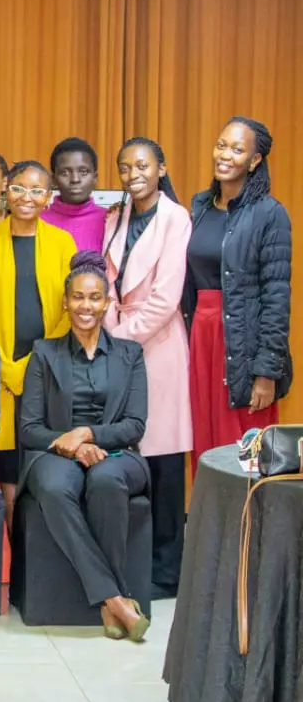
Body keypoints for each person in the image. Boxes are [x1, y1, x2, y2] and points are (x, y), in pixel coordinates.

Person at [18, 253, 151, 642]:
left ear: (107, 302)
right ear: (65, 301)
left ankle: (109, 601)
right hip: (56, 453)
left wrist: (88, 436)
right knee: (57, 488)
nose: (86, 306)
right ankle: (115, 599)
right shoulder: (44, 353)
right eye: (78, 297)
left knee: (108, 480)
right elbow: (29, 428)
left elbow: (134, 425)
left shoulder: (130, 354)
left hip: (117, 454)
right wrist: (71, 446)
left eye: (94, 298)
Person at [102, 138, 192, 600]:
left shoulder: (176, 217)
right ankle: (137, 561)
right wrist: (111, 324)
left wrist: (119, 335)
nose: (133, 173)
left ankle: (167, 569)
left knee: (165, 460)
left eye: (142, 165)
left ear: (161, 168)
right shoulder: (115, 218)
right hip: (120, 338)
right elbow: (108, 283)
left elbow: (165, 297)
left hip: (157, 345)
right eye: (125, 166)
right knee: (132, 452)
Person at [0, 160, 77, 525]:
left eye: (36, 191)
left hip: (47, 371)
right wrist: (7, 367)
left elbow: (68, 310)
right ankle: (11, 568)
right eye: (18, 188)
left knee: (45, 466)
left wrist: (36, 362)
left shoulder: (62, 242)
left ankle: (41, 565)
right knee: (8, 474)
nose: (26, 197)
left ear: (48, 198)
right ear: (6, 191)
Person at [185, 116, 292, 461]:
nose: (225, 155)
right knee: (204, 444)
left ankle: (247, 519)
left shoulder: (269, 214)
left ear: (255, 160)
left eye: (236, 149)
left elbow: (277, 298)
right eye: (221, 145)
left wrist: (266, 372)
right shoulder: (199, 207)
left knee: (243, 453)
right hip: (200, 338)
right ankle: (208, 518)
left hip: (242, 344)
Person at [43, 138, 106, 252]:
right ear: (53, 180)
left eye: (83, 172)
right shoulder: (38, 222)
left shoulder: (110, 221)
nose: (75, 179)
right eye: (65, 172)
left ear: (95, 177)